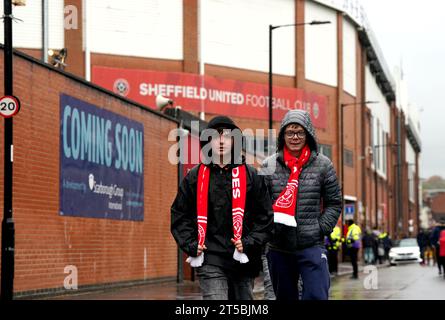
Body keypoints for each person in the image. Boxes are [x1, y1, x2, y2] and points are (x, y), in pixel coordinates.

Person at [171, 116, 274, 300]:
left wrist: (249, 242)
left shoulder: (251, 175)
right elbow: (180, 215)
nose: (221, 141)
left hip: (243, 258)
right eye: (215, 136)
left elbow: (265, 217)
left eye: (226, 136)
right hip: (210, 256)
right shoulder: (195, 177)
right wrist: (191, 244)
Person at [261, 110, 342, 300]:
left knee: (316, 295)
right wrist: (270, 230)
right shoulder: (268, 165)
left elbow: (334, 202)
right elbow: (260, 205)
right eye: (290, 132)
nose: (295, 137)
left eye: (300, 132)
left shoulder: (323, 165)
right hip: (279, 247)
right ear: (283, 136)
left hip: (311, 244)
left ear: (308, 135)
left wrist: (320, 228)